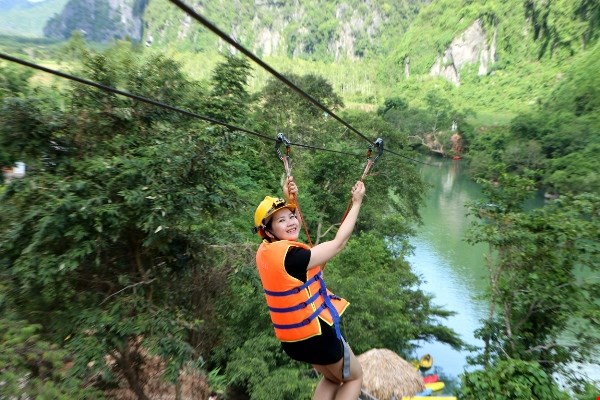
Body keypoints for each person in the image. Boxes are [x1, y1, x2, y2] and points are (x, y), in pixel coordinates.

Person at [253, 176, 365, 400]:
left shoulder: (267, 252)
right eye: (282, 220)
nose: (292, 221)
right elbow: (338, 243)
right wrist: (357, 203)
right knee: (354, 377)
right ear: (269, 231)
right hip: (315, 334)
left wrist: (288, 199)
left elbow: (290, 250)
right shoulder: (294, 258)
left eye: (292, 217)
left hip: (293, 340)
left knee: (332, 378)